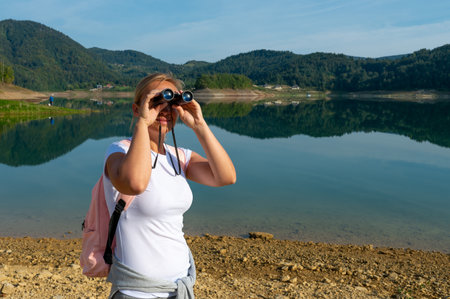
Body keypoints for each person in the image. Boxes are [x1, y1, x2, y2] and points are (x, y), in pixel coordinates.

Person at [103, 73, 236, 299]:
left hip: (180, 286)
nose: (164, 110)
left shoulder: (180, 157)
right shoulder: (119, 152)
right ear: (137, 109)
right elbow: (135, 183)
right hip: (136, 292)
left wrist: (199, 125)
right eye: (156, 101)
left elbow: (225, 177)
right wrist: (143, 124)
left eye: (172, 103)